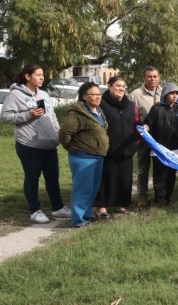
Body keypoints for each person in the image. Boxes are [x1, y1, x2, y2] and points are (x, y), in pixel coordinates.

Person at [0, 63, 71, 223]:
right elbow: (4, 116)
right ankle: (34, 210)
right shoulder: (15, 96)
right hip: (29, 145)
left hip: (49, 144)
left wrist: (57, 133)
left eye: (42, 75)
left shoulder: (44, 95)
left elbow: (52, 116)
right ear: (27, 76)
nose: (42, 77)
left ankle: (58, 208)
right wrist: (28, 114)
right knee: (32, 177)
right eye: (38, 75)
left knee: (53, 177)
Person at [59, 82, 109, 228]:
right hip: (82, 157)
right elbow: (65, 133)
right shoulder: (77, 113)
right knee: (82, 189)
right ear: (84, 96)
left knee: (92, 189)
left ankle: (86, 215)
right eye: (93, 94)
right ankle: (78, 220)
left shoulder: (98, 110)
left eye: (99, 94)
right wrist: (72, 147)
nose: (97, 97)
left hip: (97, 156)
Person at [95, 76, 138, 218]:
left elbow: (136, 121)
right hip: (108, 149)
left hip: (126, 148)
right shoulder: (101, 103)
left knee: (124, 178)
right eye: (118, 86)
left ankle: (122, 204)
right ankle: (102, 207)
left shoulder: (130, 105)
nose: (121, 89)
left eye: (123, 86)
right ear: (109, 86)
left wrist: (143, 126)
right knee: (105, 178)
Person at [143, 83, 178, 207]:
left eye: (177, 94)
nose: (174, 96)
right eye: (172, 93)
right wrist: (146, 127)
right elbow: (148, 124)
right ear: (165, 94)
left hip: (174, 148)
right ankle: (159, 199)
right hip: (159, 148)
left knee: (171, 174)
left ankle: (168, 197)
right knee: (160, 174)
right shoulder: (156, 109)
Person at [128, 65, 162, 207]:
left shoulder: (164, 92)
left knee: (160, 166)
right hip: (144, 137)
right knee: (143, 167)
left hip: (161, 137)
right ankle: (142, 195)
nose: (152, 79)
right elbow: (131, 117)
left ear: (158, 77)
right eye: (149, 76)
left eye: (155, 76)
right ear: (143, 78)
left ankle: (160, 194)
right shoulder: (136, 94)